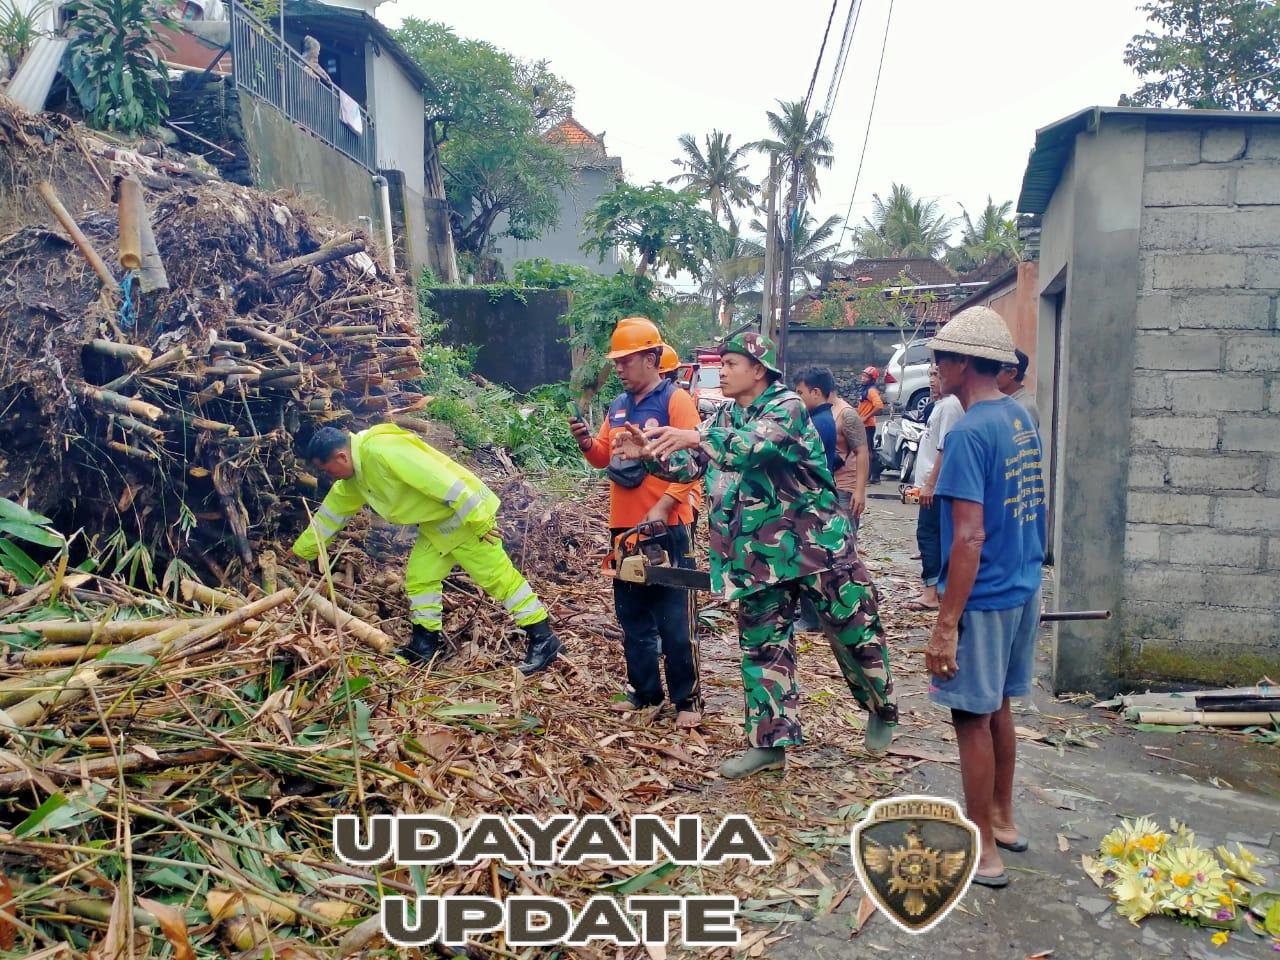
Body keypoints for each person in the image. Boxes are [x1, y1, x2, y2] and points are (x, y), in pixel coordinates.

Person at [614, 332, 898, 779]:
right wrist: (651, 456)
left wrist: (692, 435)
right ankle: (770, 744)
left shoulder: (786, 407)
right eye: (721, 364)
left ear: (758, 369)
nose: (721, 371)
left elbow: (749, 446)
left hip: (817, 550)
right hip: (758, 560)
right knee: (764, 649)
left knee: (854, 634)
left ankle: (882, 708)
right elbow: (694, 467)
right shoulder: (727, 413)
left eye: (730, 363)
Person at [923, 306, 1047, 889]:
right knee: (998, 704)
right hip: (1021, 588)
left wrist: (946, 621)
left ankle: (983, 851)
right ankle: (1003, 819)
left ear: (965, 363)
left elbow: (969, 535)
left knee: (971, 715)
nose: (935, 366)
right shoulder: (1019, 417)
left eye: (941, 357)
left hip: (984, 595)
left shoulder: (969, 432)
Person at [292, 424, 562, 674]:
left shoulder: (382, 450)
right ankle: (424, 646)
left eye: (327, 470)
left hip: (465, 519)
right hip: (438, 527)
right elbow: (330, 516)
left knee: (499, 579)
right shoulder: (355, 479)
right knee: (420, 579)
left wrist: (478, 519)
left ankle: (543, 638)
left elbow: (440, 480)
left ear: (341, 457)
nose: (328, 477)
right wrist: (302, 552)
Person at [568, 318, 703, 729]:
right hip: (624, 529)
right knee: (633, 619)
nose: (620, 369)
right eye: (618, 362)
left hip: (667, 527)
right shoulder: (618, 407)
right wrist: (587, 442)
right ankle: (645, 693)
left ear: (651, 358)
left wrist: (664, 505)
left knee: (676, 620)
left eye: (627, 361)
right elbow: (605, 456)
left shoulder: (675, 401)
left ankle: (687, 701)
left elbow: (696, 466)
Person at [907, 365, 964, 611]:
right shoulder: (940, 406)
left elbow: (945, 447)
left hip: (938, 486)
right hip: (930, 484)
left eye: (937, 375)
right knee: (933, 536)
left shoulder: (951, 407)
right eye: (930, 374)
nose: (932, 380)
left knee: (929, 536)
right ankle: (936, 590)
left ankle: (931, 593)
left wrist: (930, 485)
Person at [793, 367, 839, 473]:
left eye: (800, 393)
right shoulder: (822, 417)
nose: (796, 398)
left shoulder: (819, 422)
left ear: (815, 393)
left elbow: (800, 459)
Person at [996, 348, 1040, 431]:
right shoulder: (1001, 400)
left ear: (1012, 373)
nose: (991, 374)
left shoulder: (1024, 408)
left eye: (996, 369)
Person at [858, 366, 885, 484]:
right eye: (863, 376)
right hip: (865, 424)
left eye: (866, 377)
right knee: (869, 450)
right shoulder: (867, 389)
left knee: (867, 451)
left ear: (871, 379)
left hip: (868, 425)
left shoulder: (871, 391)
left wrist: (865, 417)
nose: (862, 378)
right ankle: (874, 477)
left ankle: (868, 477)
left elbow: (879, 405)